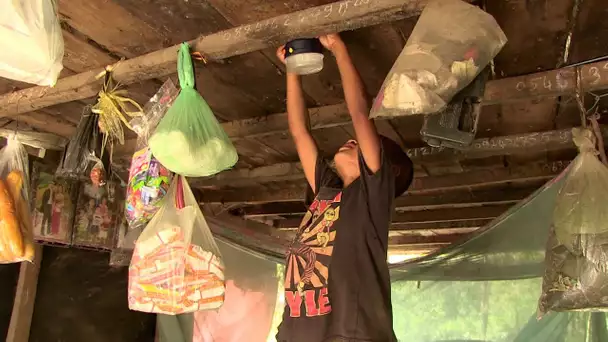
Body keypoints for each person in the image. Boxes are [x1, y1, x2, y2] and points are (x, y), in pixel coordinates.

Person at [275, 34, 413, 342]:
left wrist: (339, 50)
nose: (352, 139)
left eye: (362, 143)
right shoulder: (327, 192)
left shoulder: (370, 200)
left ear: (385, 170)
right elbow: (300, 133)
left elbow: (360, 115)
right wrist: (292, 70)